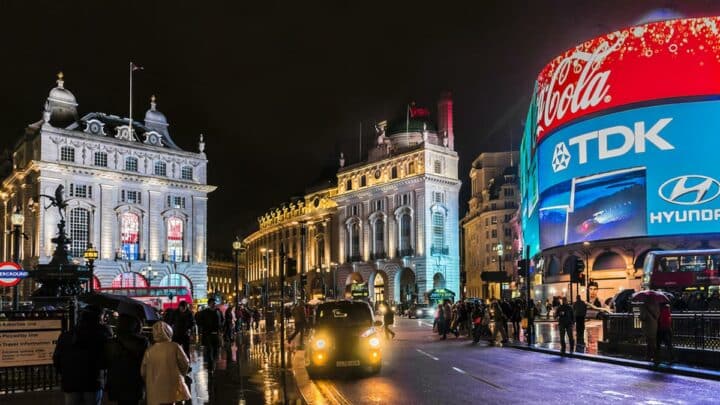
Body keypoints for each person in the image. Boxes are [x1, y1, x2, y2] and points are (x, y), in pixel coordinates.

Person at [53, 305, 111, 405]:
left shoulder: (67, 335)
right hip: (92, 381)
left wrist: (64, 373)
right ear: (98, 317)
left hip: (71, 381)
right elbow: (106, 360)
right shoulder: (102, 335)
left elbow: (57, 358)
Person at [141, 322, 191, 405]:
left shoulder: (149, 351)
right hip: (173, 386)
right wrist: (181, 375)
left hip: (155, 389)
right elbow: (185, 363)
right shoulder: (175, 346)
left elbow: (143, 371)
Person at [105, 314, 149, 405]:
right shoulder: (142, 342)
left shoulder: (112, 342)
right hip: (134, 381)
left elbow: (106, 362)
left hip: (117, 381)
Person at [196, 298, 222, 373]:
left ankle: (213, 364)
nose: (214, 304)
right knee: (209, 350)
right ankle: (210, 367)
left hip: (216, 334)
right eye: (212, 303)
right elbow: (198, 319)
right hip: (208, 334)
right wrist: (203, 327)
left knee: (215, 351)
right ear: (209, 304)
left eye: (214, 303)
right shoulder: (204, 312)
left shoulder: (218, 312)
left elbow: (222, 321)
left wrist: (220, 330)